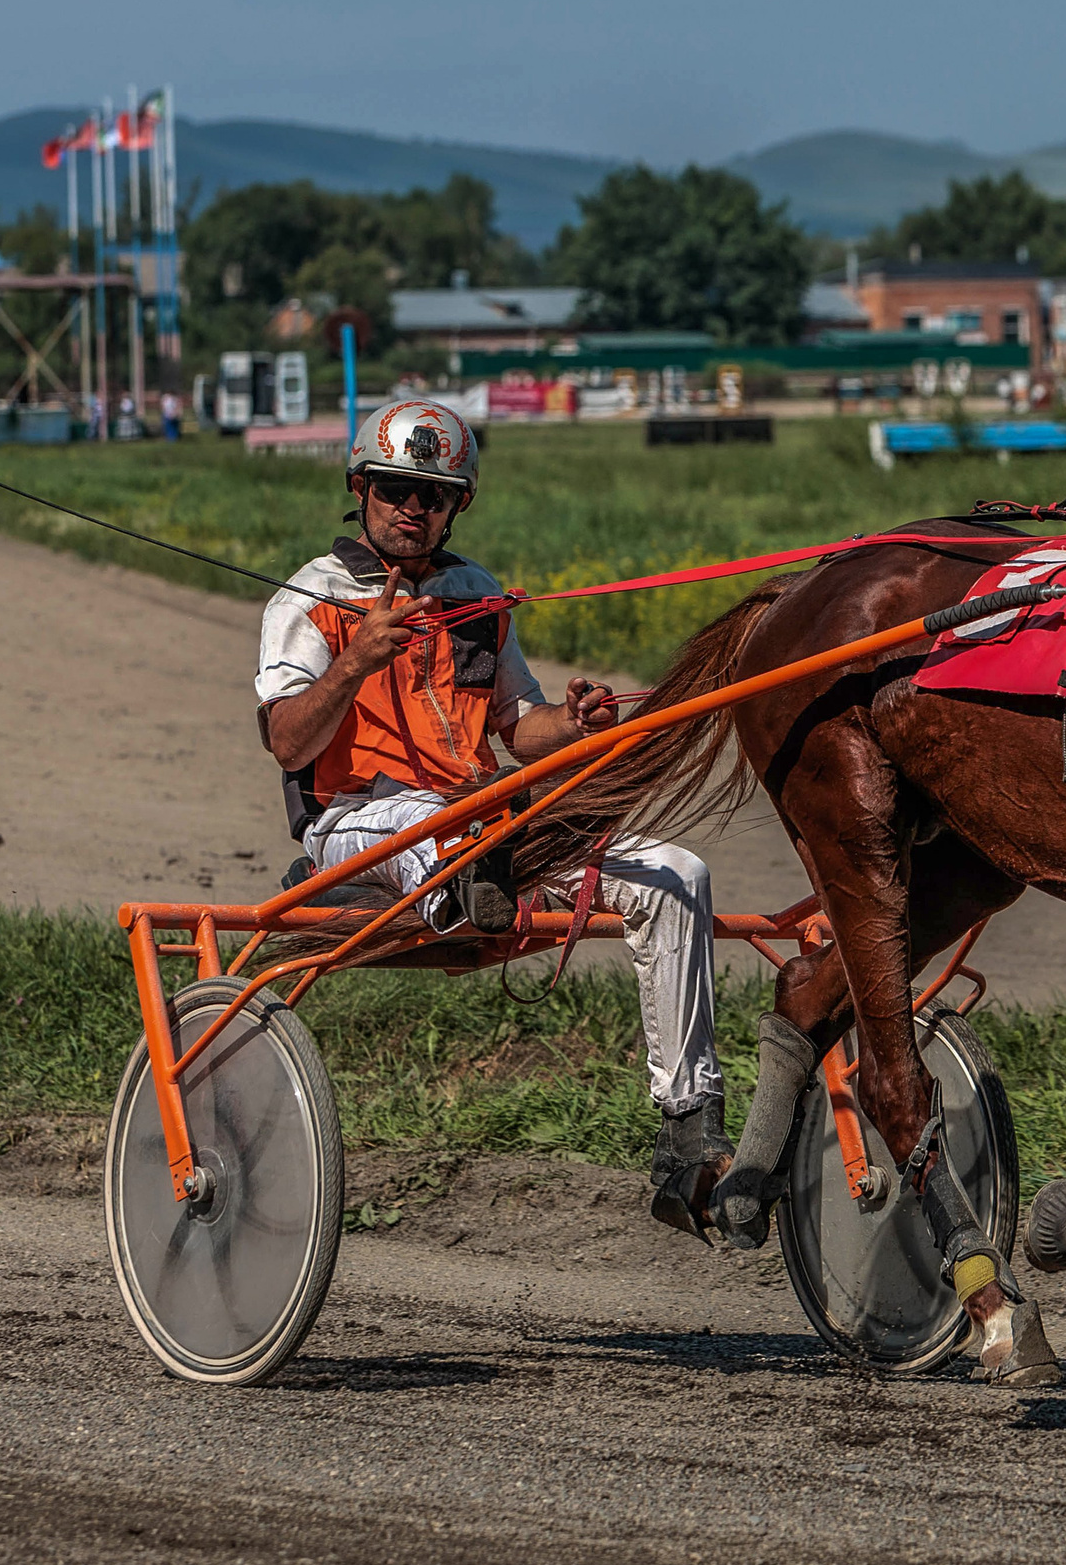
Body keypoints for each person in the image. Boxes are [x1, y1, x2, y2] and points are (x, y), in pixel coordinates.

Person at [255, 398, 728, 1220]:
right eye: (398, 488)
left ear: (457, 505)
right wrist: (355, 661)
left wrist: (574, 725)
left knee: (674, 873)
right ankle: (475, 873)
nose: (414, 507)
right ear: (361, 488)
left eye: (434, 495)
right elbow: (290, 744)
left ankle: (689, 1132)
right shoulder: (310, 597)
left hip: (481, 823)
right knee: (435, 831)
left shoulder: (476, 595)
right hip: (359, 825)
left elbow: (520, 730)